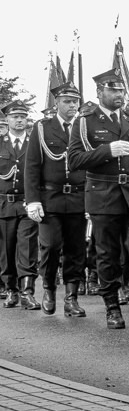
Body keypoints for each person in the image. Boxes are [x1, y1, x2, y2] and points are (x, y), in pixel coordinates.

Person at [67, 68, 129, 329]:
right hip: (103, 194)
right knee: (107, 253)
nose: (119, 94)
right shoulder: (85, 121)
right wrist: (106, 151)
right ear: (100, 93)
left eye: (121, 90)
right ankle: (112, 307)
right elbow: (74, 160)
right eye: (113, 90)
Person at [24, 83, 87, 317]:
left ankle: (71, 298)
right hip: (51, 197)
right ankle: (49, 288)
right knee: (50, 246)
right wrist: (33, 200)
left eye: (75, 101)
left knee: (76, 249)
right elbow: (31, 166)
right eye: (67, 102)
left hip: (79, 197)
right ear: (56, 104)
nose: (72, 106)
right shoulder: (43, 128)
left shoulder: (84, 126)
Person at [0, 101, 40, 310]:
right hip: (4, 205)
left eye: (23, 116)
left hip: (27, 203)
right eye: (15, 116)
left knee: (27, 247)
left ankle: (27, 291)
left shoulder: (35, 143)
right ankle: (11, 290)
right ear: (7, 120)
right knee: (6, 250)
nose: (19, 120)